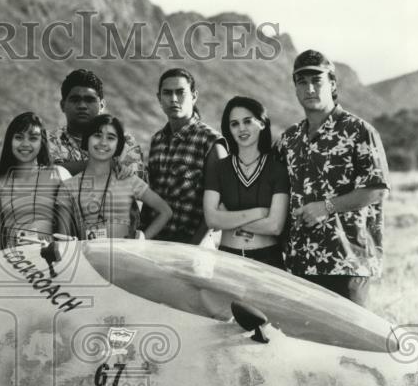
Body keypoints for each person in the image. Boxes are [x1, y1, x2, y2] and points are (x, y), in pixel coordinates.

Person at [274, 49, 390, 305]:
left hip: (346, 263)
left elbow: (377, 189)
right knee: (303, 344)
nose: (310, 88)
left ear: (333, 84)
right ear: (295, 88)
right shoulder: (289, 139)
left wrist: (326, 207)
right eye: (302, 82)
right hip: (299, 263)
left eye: (317, 81)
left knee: (350, 344)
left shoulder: (359, 131)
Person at [141, 68, 227, 244]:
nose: (173, 99)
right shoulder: (157, 140)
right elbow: (151, 196)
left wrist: (192, 249)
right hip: (154, 245)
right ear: (159, 98)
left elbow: (216, 205)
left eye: (180, 92)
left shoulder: (210, 142)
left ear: (194, 96)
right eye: (167, 93)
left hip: (192, 249)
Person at [202, 96, 289, 268]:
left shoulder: (277, 169)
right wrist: (260, 212)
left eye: (248, 121)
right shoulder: (218, 168)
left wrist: (229, 220)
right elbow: (211, 219)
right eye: (234, 124)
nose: (241, 128)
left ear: (262, 124)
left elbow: (275, 226)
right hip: (227, 259)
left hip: (267, 261)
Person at [58, 114, 172, 240]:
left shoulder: (127, 179)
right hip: (87, 256)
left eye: (111, 138)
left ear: (118, 145)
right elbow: (63, 238)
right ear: (87, 139)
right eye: (97, 135)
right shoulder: (67, 187)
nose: (103, 142)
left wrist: (143, 239)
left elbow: (165, 211)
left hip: (126, 256)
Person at [0, 112, 70, 250]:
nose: (25, 144)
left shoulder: (57, 175)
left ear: (42, 141)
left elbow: (69, 228)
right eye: (19, 137)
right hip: (15, 262)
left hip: (49, 260)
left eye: (33, 138)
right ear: (10, 141)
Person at [48, 69, 144, 177]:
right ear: (62, 105)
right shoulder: (48, 140)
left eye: (89, 100)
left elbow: (136, 180)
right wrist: (106, 164)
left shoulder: (125, 141)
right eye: (75, 100)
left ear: (102, 106)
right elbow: (42, 175)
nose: (82, 106)